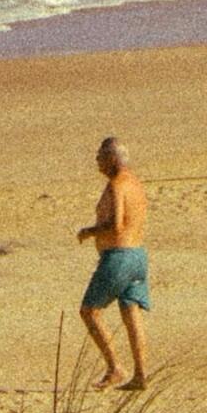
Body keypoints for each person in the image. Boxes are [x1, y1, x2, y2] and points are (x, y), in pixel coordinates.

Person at [77, 136, 150, 389]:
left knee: (89, 311)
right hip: (138, 255)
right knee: (131, 313)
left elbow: (116, 224)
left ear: (111, 158)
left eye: (99, 157)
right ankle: (141, 374)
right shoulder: (136, 184)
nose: (97, 162)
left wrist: (90, 231)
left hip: (119, 257)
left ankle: (115, 367)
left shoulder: (117, 185)